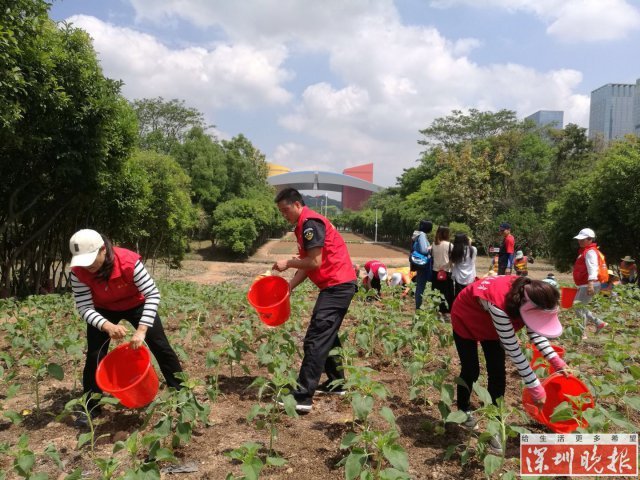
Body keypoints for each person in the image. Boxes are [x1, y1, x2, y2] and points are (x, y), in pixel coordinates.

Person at [69, 229, 183, 427]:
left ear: (103, 250)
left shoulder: (128, 262)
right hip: (102, 309)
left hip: (136, 304)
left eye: (91, 260)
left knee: (160, 346)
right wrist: (105, 325)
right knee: (95, 354)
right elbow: (84, 307)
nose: (88, 266)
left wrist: (141, 330)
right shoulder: (78, 272)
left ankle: (183, 394)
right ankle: (91, 407)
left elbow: (152, 294)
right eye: (83, 262)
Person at [450, 275, 567, 454]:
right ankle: (463, 409)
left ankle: (495, 425)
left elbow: (535, 332)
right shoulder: (501, 306)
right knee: (471, 369)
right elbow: (513, 349)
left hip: (491, 325)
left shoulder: (529, 296)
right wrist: (535, 387)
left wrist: (556, 361)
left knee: (497, 372)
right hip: (467, 316)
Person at [272, 188, 357, 413]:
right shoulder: (302, 226)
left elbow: (315, 262)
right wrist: (288, 288)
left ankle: (302, 397)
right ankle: (337, 382)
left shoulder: (310, 223)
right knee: (327, 335)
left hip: (337, 286)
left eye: (286, 210)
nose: (284, 215)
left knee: (316, 338)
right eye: (281, 212)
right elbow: (307, 264)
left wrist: (288, 263)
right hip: (336, 285)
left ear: (298, 204)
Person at [572, 228, 608, 338]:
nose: (580, 241)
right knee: (579, 306)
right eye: (579, 239)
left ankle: (582, 333)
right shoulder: (586, 251)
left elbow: (593, 268)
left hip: (589, 284)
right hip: (586, 284)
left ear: (589, 239)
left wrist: (590, 283)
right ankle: (599, 323)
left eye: (582, 239)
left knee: (578, 306)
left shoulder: (590, 252)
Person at [431, 225, 454, 314]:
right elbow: (452, 259)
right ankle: (446, 309)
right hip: (446, 272)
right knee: (446, 292)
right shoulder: (449, 245)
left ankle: (437, 308)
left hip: (435, 271)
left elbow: (433, 256)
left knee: (436, 291)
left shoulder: (434, 244)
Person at [412, 220, 433, 310]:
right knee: (421, 286)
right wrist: (432, 247)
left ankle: (418, 306)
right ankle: (418, 307)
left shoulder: (417, 234)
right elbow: (424, 250)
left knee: (420, 285)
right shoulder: (422, 235)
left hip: (420, 263)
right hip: (424, 264)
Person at [450, 233, 477, 301]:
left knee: (458, 295)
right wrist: (469, 243)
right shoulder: (473, 249)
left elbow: (453, 261)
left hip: (458, 275)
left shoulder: (455, 250)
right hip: (470, 276)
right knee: (468, 295)